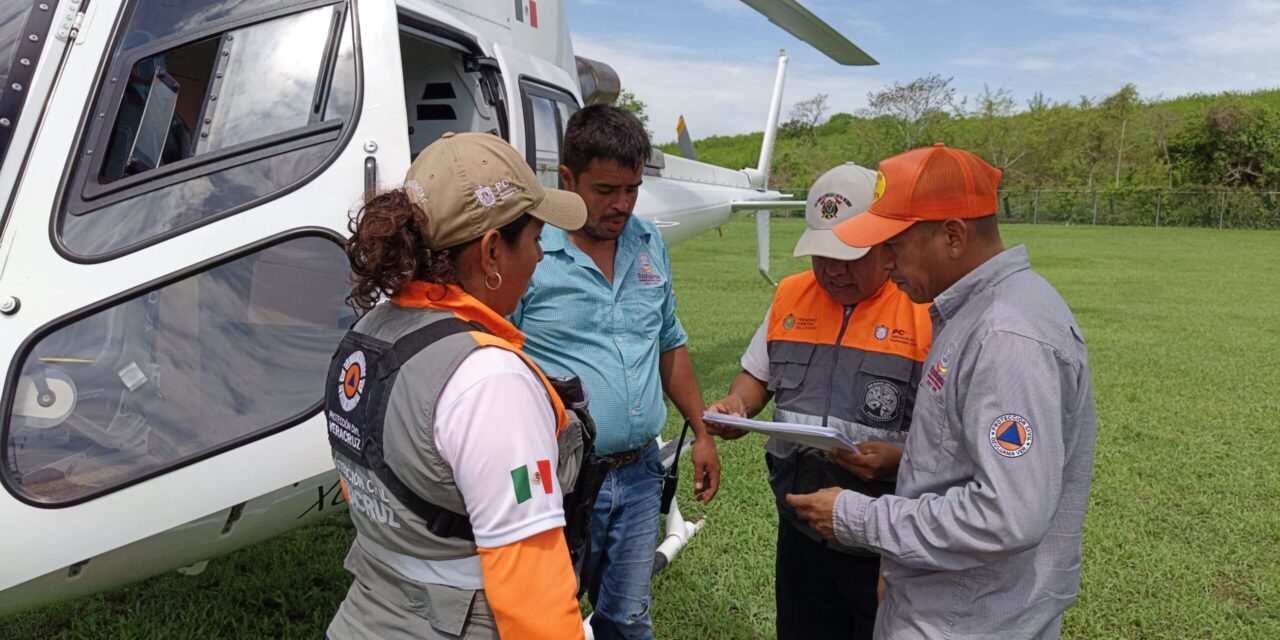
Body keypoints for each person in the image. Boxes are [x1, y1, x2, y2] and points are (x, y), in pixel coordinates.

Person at [786, 143, 1097, 639]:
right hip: (945, 602)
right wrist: (902, 461)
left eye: (894, 245)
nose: (883, 263)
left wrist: (859, 516)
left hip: (967, 620)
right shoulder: (973, 313)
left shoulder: (1006, 336)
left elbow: (1006, 515)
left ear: (952, 236)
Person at [324, 132, 590, 640]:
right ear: (492, 253)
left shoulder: (366, 336)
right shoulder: (491, 383)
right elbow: (532, 597)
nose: (539, 257)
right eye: (535, 240)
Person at [511, 104, 721, 640]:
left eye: (632, 189)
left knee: (626, 620)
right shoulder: (532, 251)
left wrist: (700, 431)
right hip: (557, 479)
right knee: (541, 621)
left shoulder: (648, 243)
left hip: (641, 471)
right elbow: (491, 356)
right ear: (567, 179)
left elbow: (668, 343)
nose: (622, 205)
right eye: (606, 189)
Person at [704, 163, 932, 640]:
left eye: (849, 253)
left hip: (883, 537)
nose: (832, 270)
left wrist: (900, 461)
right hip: (802, 521)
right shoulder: (790, 296)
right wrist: (736, 404)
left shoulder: (924, 311)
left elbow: (953, 438)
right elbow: (756, 375)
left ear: (885, 244)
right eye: (821, 255)